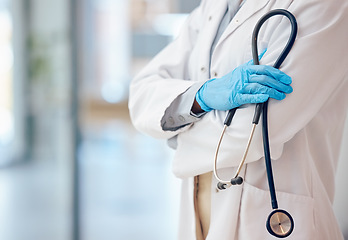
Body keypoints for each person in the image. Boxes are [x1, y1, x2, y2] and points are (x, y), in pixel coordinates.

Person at [128, 0, 348, 239]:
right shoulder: (213, 7)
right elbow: (141, 94)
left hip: (272, 219)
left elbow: (257, 132)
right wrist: (200, 97)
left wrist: (180, 121)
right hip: (200, 212)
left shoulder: (325, 5)